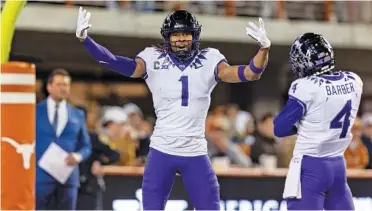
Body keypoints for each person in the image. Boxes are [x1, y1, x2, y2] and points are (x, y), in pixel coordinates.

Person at [76, 7, 271, 210]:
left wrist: (264, 49)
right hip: (162, 150)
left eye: (185, 34)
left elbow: (249, 73)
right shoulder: (152, 58)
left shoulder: (210, 59)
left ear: (194, 36)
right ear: (167, 37)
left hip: (195, 151)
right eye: (176, 34)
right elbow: (115, 62)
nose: (180, 39)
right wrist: (86, 41)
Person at [273, 33, 363, 210]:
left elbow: (280, 128)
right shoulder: (354, 81)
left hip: (310, 166)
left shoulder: (306, 87)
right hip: (338, 165)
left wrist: (306, 124)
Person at [36, 69, 91, 210]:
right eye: (59, 84)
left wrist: (78, 156)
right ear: (49, 87)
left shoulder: (77, 114)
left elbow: (86, 146)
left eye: (66, 85)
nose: (63, 88)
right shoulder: (34, 111)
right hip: (41, 178)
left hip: (68, 178)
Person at [76, 106, 121, 210]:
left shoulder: (92, 137)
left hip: (87, 187)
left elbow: (114, 155)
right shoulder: (63, 138)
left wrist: (100, 162)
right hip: (66, 187)